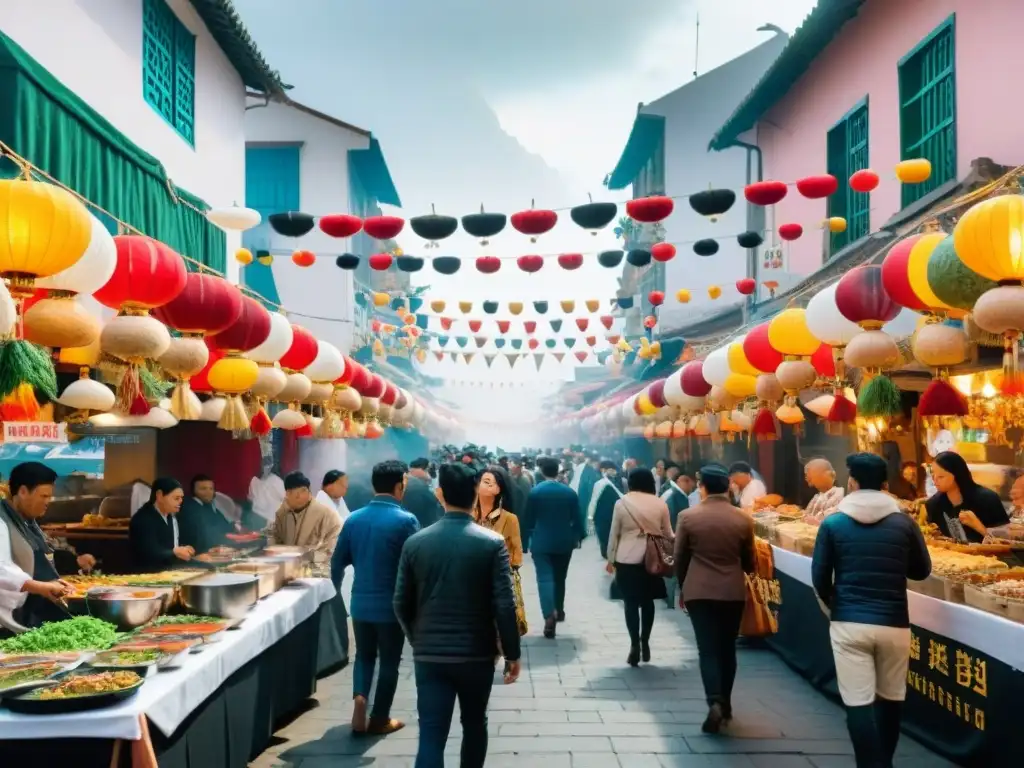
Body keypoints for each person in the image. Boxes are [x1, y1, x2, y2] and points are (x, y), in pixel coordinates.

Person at [394, 462, 521, 768]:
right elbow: (504, 604)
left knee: (432, 733)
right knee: (475, 723)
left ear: (440, 494)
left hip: (430, 656)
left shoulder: (416, 543)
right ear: (476, 494)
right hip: (476, 654)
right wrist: (512, 653)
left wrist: (417, 638)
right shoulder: (491, 544)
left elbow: (400, 602)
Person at [811, 453, 932, 768]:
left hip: (849, 622)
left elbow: (820, 578)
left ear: (851, 482)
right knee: (891, 699)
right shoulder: (904, 522)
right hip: (894, 623)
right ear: (885, 485)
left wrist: (836, 605)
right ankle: (885, 763)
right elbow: (922, 571)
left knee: (858, 702)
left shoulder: (833, 522)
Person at [331, 460, 419, 735]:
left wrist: (335, 596)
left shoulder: (354, 519)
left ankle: (360, 697)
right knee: (390, 661)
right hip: (392, 606)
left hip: (360, 602)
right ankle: (380, 717)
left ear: (373, 485)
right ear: (399, 485)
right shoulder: (406, 521)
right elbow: (417, 564)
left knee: (365, 656)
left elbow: (337, 563)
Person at [674, 463, 756, 733]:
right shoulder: (743, 518)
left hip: (699, 590)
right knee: (727, 647)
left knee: (707, 649)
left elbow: (680, 558)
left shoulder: (687, 516)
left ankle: (714, 701)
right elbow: (750, 561)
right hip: (732, 591)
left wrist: (683, 587)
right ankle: (727, 703)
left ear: (703, 488)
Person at [0, 463, 85, 632]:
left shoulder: (29, 521)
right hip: (11, 617)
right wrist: (42, 587)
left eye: (49, 497)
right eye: (43, 496)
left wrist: (54, 581)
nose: (47, 502)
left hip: (37, 611)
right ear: (23, 491)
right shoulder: (2, 521)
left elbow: (42, 556)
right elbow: (2, 569)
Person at [606, 467, 673, 667]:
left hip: (627, 559)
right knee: (648, 602)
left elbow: (614, 534)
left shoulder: (621, 503)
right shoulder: (660, 503)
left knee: (630, 603)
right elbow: (668, 533)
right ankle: (645, 640)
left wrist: (610, 558)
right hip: (652, 559)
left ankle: (634, 643)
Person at [521, 455, 584, 638]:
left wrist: (526, 540)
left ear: (541, 471)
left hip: (541, 541)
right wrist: (578, 536)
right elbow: (577, 518)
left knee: (544, 578)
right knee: (560, 577)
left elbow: (528, 519)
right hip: (564, 541)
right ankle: (560, 609)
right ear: (558, 471)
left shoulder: (535, 492)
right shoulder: (569, 492)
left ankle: (549, 613)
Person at [925, 452, 1010, 543]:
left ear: (957, 475)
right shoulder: (933, 504)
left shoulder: (988, 499)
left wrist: (978, 526)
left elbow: (1006, 543)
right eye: (933, 475)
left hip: (988, 556)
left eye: (941, 477)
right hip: (949, 556)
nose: (935, 480)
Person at [269, 471, 343, 564]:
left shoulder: (327, 515)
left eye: (304, 490)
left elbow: (333, 550)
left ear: (309, 490)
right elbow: (274, 538)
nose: (300, 496)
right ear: (288, 494)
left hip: (317, 569)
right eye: (293, 492)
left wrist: (309, 556)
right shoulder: (281, 513)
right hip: (287, 566)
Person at [129, 477, 195, 572]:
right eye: (176, 498)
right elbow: (148, 552)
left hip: (171, 570)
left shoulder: (171, 517)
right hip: (147, 574)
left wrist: (185, 550)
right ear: (159, 496)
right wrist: (175, 552)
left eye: (181, 498)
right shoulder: (142, 519)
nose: (180, 501)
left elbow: (174, 548)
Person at [473, 466, 523, 570]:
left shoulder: (509, 519)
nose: (489, 485)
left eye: (494, 483)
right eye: (485, 482)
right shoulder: (468, 515)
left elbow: (516, 552)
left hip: (498, 575)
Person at [178, 475, 235, 555]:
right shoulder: (190, 507)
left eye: (211, 489)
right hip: (196, 555)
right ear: (193, 491)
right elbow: (203, 535)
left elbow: (225, 526)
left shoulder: (208, 506)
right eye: (203, 489)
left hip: (212, 551)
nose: (209, 492)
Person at [588, 460, 623, 558]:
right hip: (602, 516)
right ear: (603, 470)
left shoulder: (614, 481)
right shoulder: (600, 483)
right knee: (605, 538)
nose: (614, 472)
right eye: (611, 470)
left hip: (612, 514)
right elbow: (594, 500)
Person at [403, 458, 444, 529]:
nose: (428, 472)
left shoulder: (410, 481)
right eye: (427, 469)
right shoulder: (416, 485)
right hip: (422, 524)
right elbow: (432, 501)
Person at [803, 459, 845, 523]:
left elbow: (830, 521)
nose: (808, 480)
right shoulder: (817, 496)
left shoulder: (840, 494)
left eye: (810, 476)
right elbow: (806, 515)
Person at [659, 463, 691, 530]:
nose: (691, 485)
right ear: (679, 481)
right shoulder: (672, 495)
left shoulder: (679, 494)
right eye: (687, 481)